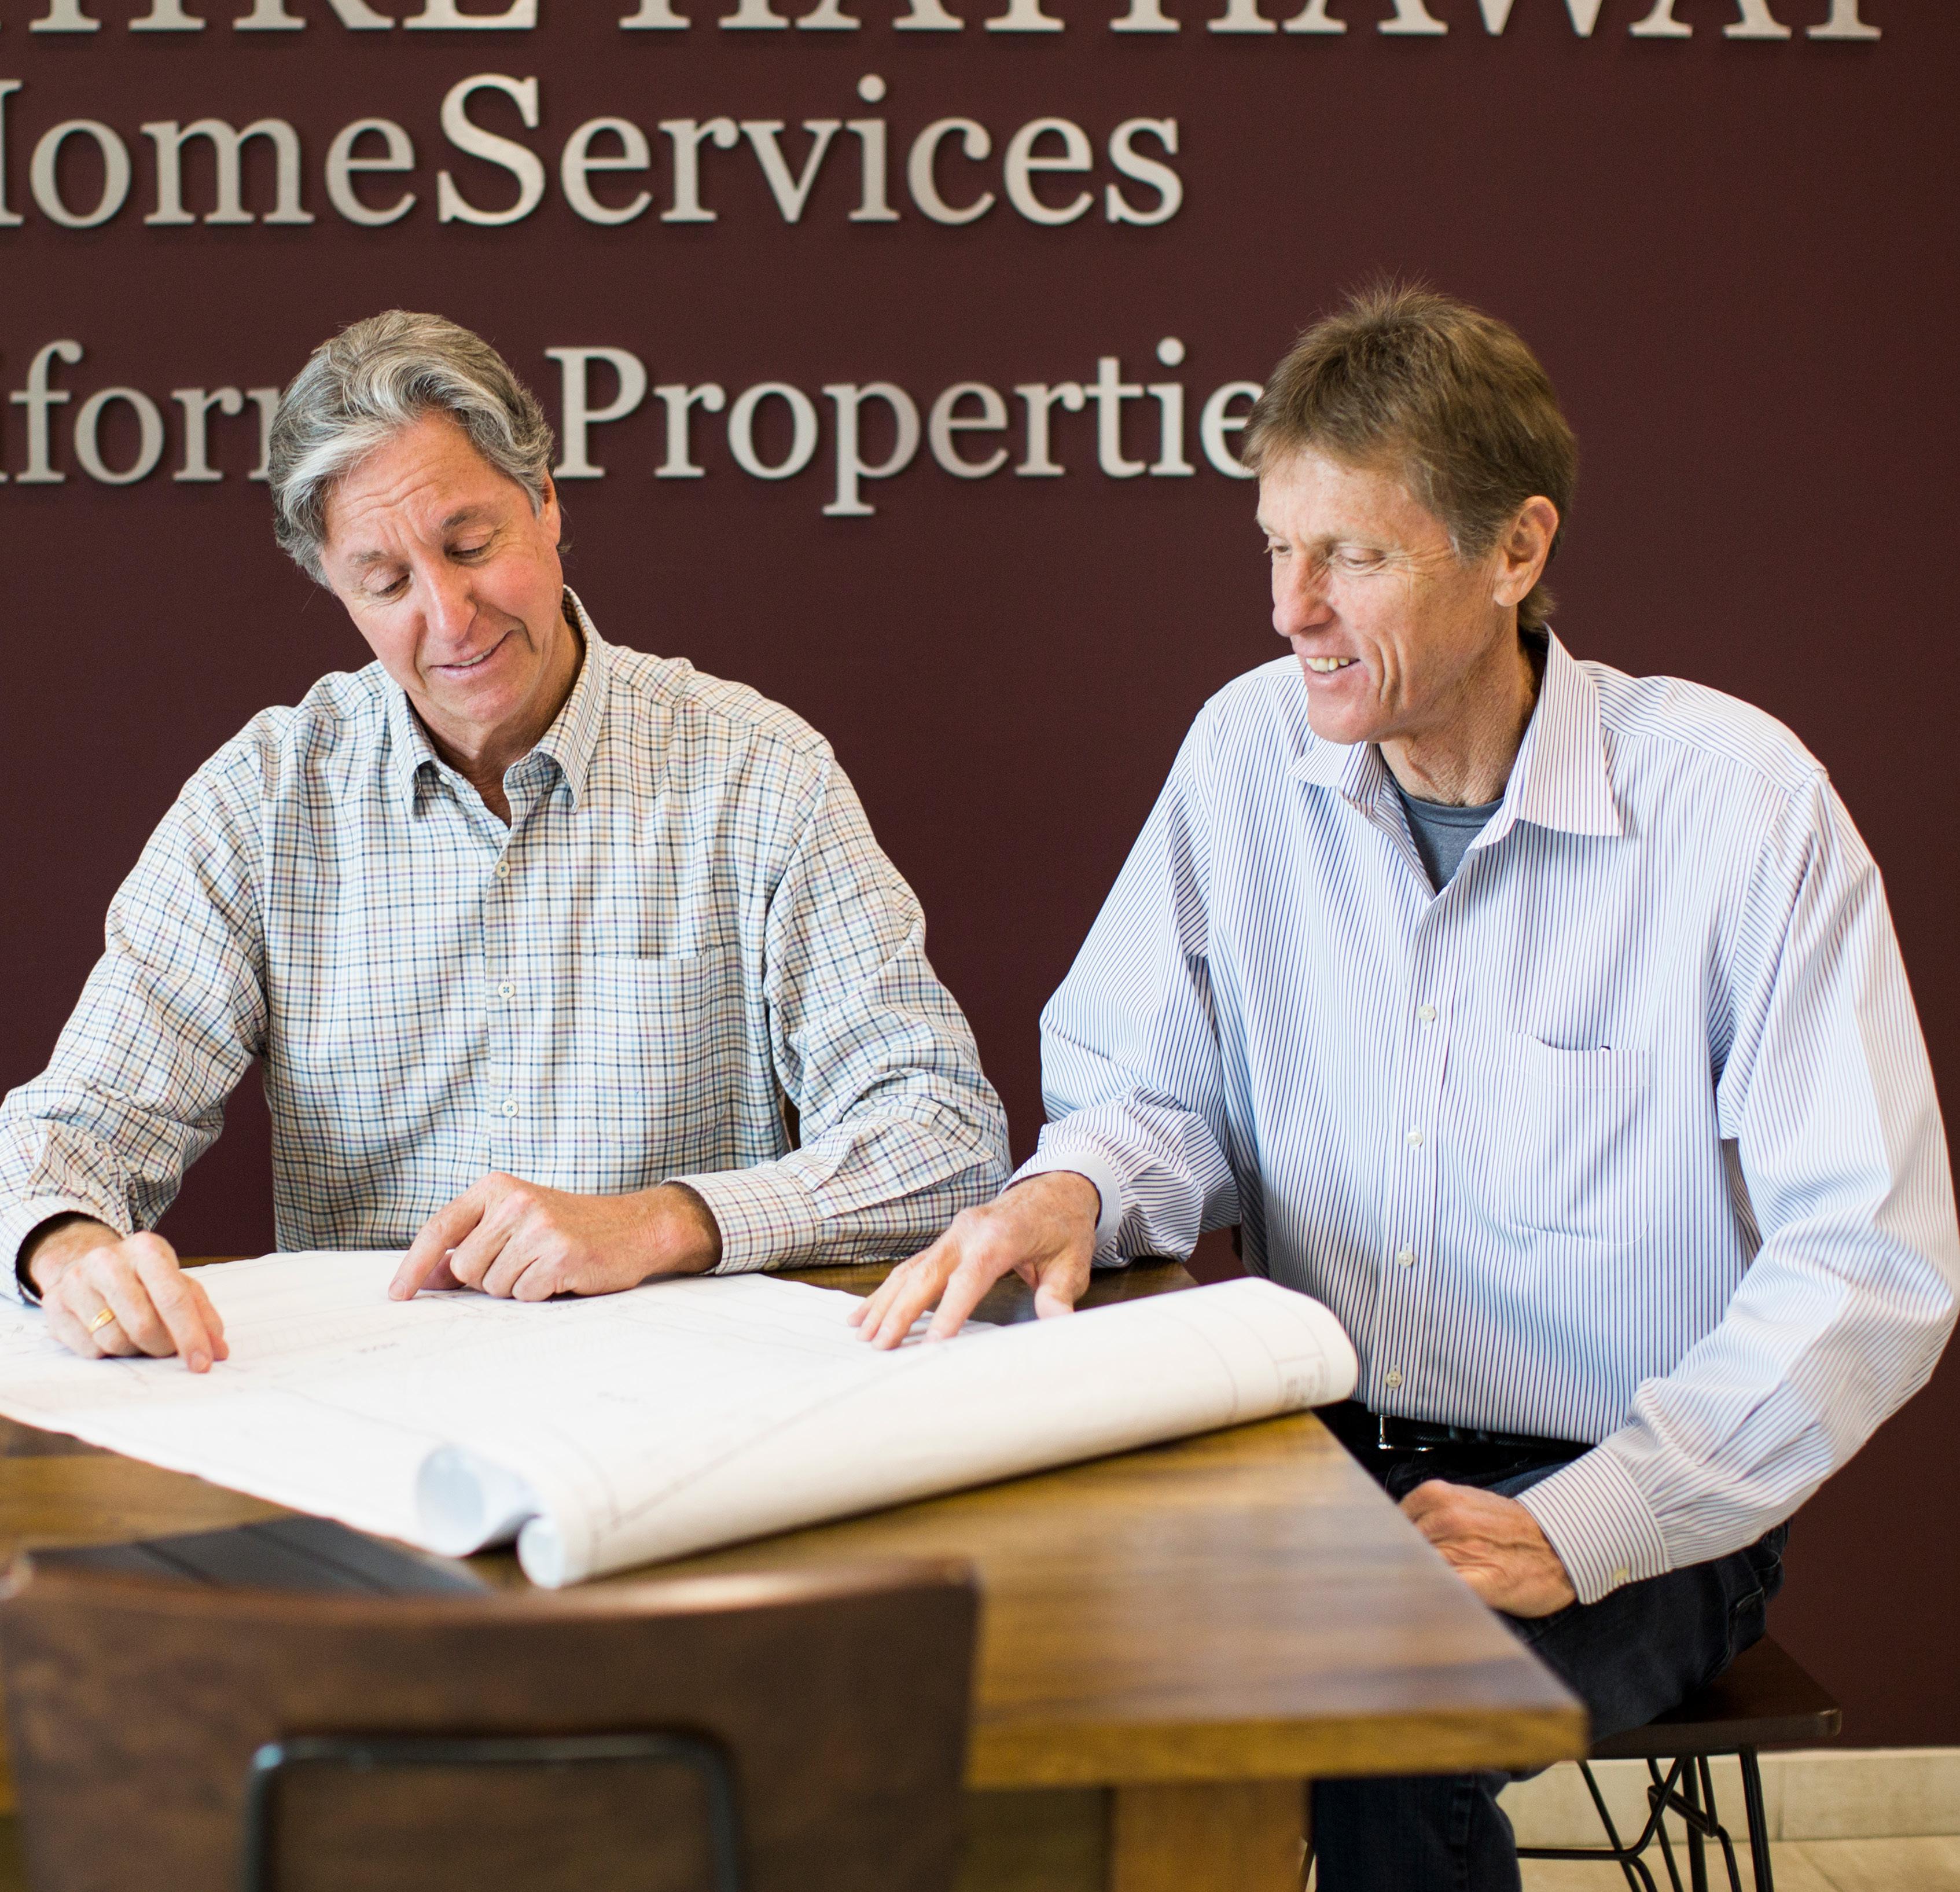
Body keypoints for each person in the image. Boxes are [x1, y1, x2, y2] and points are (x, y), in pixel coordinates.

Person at [852, 285, 1960, 1889]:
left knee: (1384, 1713)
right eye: (1273, 549)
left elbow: (1865, 1266)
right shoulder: (1244, 753)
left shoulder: (1740, 808)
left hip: (1627, 1490)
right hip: (1301, 1458)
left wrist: (1586, 1521)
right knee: (1026, 1659)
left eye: (1350, 555)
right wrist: (1071, 1185)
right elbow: (1151, 1087)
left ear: (1514, 550)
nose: (1289, 609)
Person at [1, 310, 1007, 1371]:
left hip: (691, 1402)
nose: (451, 616)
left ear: (547, 504)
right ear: (335, 589)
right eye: (386, 583)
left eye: (471, 546)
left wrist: (662, 1222)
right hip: (373, 1412)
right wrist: (70, 1248)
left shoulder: (758, 773)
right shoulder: (263, 804)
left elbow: (943, 1134)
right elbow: (68, 1132)